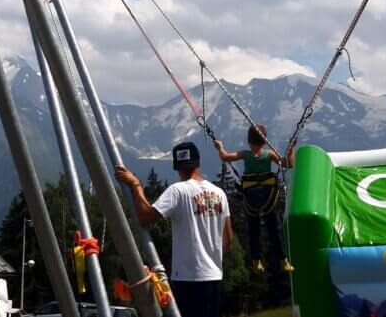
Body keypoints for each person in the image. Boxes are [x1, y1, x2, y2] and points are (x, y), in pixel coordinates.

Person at [115, 142, 231, 317]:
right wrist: (212, 258)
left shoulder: (177, 191)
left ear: (177, 167)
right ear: (198, 162)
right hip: (214, 277)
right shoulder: (219, 193)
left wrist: (136, 185)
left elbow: (146, 217)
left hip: (188, 278)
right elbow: (228, 237)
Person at [215, 124, 293, 274]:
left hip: (251, 198)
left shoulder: (245, 154)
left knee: (254, 229)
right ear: (264, 142)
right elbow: (287, 164)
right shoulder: (269, 154)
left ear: (248, 140)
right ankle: (283, 260)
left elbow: (225, 157)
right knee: (274, 229)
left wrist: (220, 146)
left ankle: (256, 261)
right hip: (268, 198)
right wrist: (291, 148)